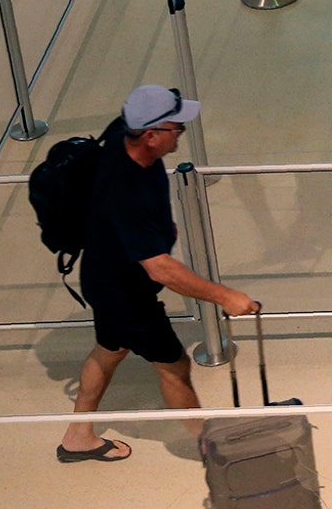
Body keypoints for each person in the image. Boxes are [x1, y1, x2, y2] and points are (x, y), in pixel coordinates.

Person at [57, 85, 257, 463]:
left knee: (109, 351)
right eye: (175, 127)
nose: (181, 131)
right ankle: (209, 445)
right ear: (150, 135)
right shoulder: (126, 189)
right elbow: (161, 268)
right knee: (175, 366)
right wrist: (225, 296)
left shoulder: (124, 136)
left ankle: (77, 435)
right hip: (124, 292)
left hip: (103, 276)